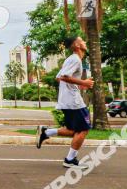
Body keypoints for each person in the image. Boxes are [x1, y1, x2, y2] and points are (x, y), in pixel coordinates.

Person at [36, 36, 94, 167]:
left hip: (68, 100)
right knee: (84, 129)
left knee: (73, 130)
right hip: (73, 102)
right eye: (82, 41)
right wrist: (83, 82)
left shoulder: (71, 59)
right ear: (77, 45)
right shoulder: (75, 59)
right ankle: (69, 160)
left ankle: (45, 132)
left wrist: (79, 85)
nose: (85, 42)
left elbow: (59, 78)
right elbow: (63, 77)